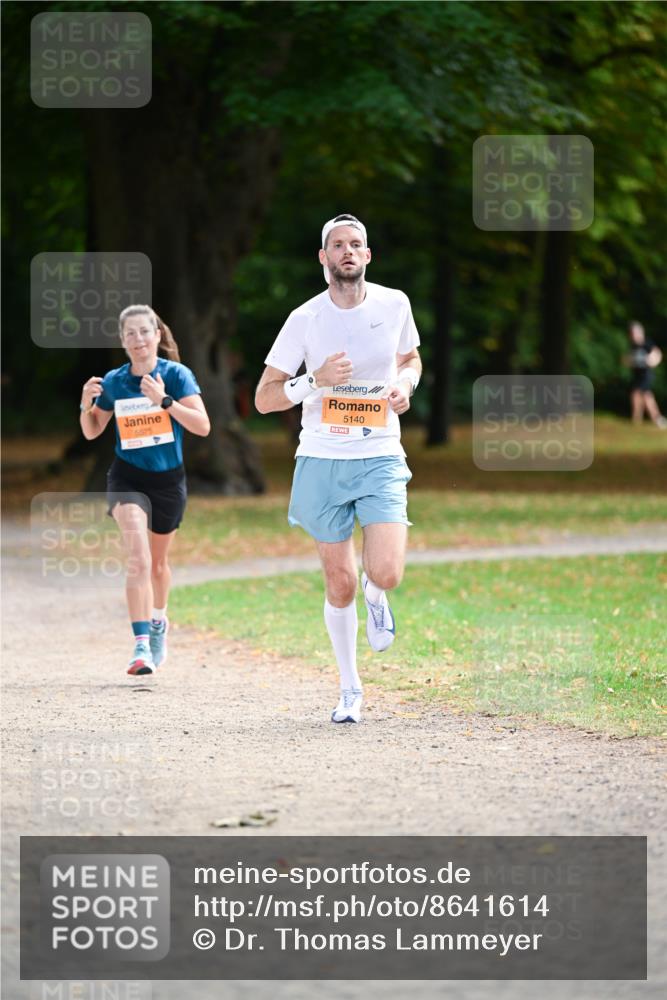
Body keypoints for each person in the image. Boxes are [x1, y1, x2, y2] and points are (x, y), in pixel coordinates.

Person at [255, 214, 422, 724]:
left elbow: (411, 360)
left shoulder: (394, 304)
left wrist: (405, 387)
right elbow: (264, 399)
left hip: (379, 454)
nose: (347, 251)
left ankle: (379, 596)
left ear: (368, 256)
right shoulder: (304, 319)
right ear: (323, 258)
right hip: (323, 458)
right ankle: (350, 687)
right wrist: (314, 379)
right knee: (339, 584)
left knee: (385, 571)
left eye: (356, 244)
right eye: (337, 245)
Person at [79, 305, 210, 675]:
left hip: (168, 480)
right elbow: (91, 430)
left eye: (144, 332)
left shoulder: (176, 375)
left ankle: (157, 624)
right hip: (127, 478)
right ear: (123, 341)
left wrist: (164, 402)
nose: (138, 340)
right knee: (137, 558)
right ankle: (140, 647)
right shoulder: (115, 381)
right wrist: (85, 403)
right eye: (130, 334)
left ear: (157, 335)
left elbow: (202, 426)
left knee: (157, 564)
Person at [625, 321, 667, 428]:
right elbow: (626, 359)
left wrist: (652, 361)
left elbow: (657, 354)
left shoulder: (646, 343)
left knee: (637, 394)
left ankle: (638, 419)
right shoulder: (633, 346)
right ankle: (655, 418)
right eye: (632, 334)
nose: (634, 336)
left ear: (641, 332)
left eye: (635, 333)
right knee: (645, 396)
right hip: (638, 375)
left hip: (646, 375)